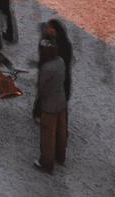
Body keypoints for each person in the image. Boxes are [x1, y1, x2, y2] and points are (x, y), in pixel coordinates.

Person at [35, 18, 73, 171]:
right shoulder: (60, 62)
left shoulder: (46, 68)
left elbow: (42, 88)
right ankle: (60, 157)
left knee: (47, 136)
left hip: (49, 105)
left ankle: (46, 163)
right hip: (61, 101)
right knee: (60, 133)